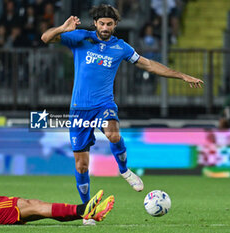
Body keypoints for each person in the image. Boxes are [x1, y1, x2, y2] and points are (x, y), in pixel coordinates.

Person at [41, 4, 203, 225]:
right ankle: (88, 210)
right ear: (95, 24)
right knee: (81, 166)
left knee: (113, 134)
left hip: (103, 104)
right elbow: (45, 38)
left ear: (115, 25)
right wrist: (62, 27)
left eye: (109, 24)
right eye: (102, 23)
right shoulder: (81, 38)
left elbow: (148, 65)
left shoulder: (121, 47)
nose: (105, 27)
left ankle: (125, 171)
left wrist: (182, 76)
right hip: (79, 109)